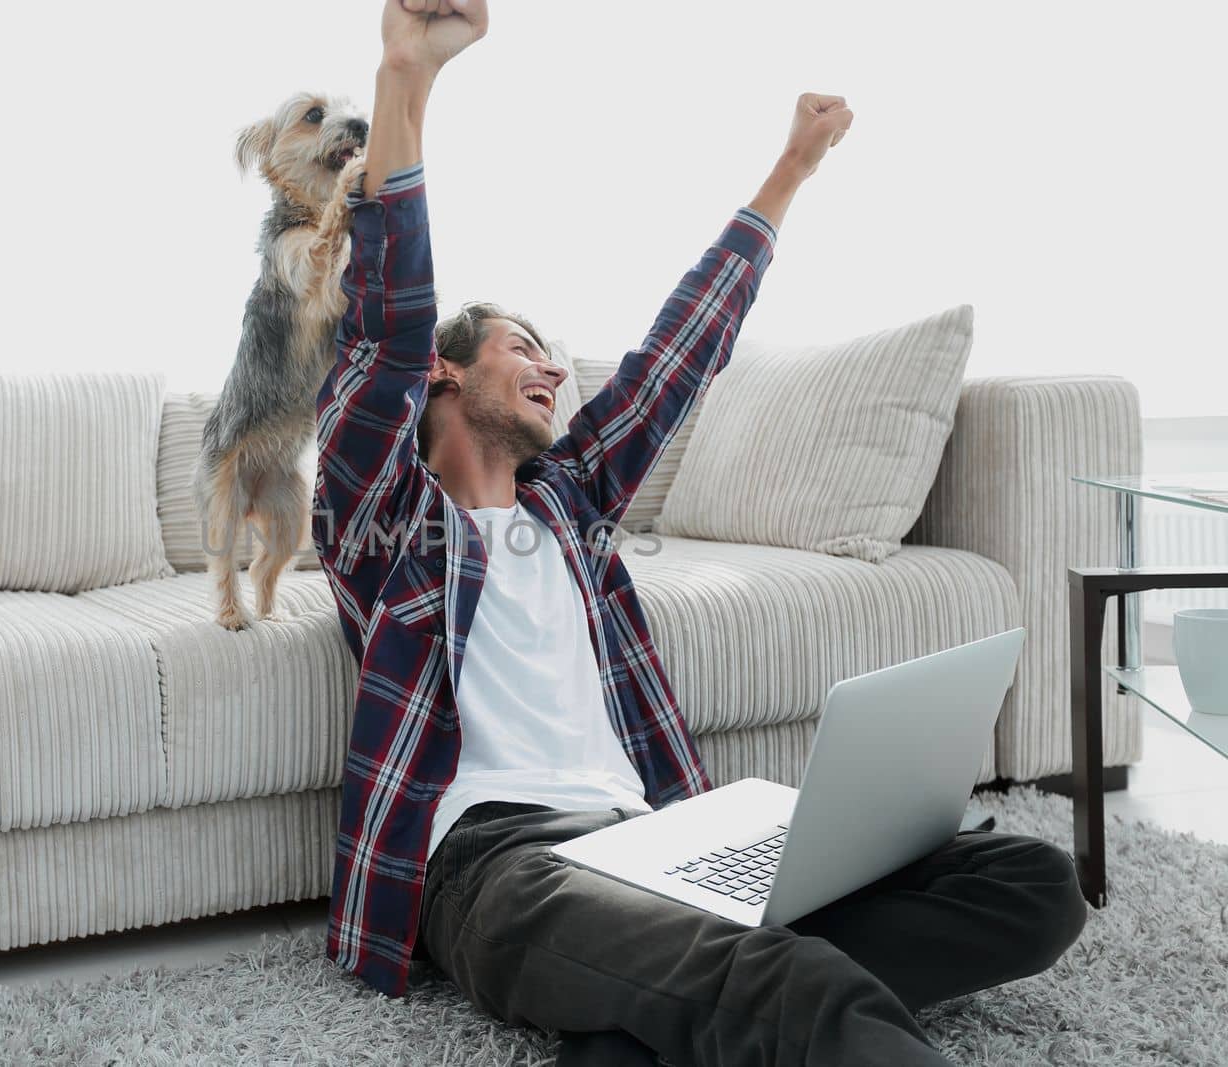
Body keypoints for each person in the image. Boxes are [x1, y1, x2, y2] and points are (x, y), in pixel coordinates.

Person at [310, 2, 1088, 1063]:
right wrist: (406, 80)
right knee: (782, 972)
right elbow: (384, 336)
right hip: (499, 868)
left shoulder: (572, 503)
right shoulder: (388, 526)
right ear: (446, 373)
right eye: (520, 346)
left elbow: (681, 352)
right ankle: (739, 991)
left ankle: (666, 1014)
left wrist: (789, 169)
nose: (551, 367)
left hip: (656, 843)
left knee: (1028, 881)